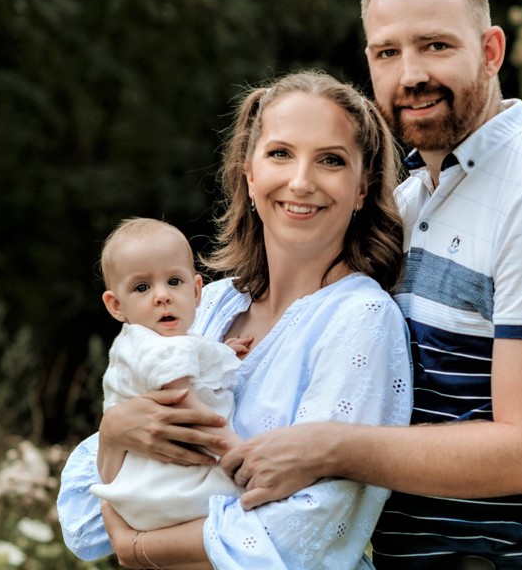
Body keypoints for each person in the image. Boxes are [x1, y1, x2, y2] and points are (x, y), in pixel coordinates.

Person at [219, 0, 522, 569]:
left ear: (491, 51)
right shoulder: (409, 201)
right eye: (388, 52)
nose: (410, 75)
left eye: (435, 45)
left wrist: (328, 449)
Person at [57, 69, 413, 569]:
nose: (300, 181)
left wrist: (140, 548)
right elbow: (86, 520)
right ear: (249, 174)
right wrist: (114, 431)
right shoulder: (208, 304)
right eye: (280, 154)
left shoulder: (361, 320)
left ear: (362, 188)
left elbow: (301, 533)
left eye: (331, 160)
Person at [88, 217, 250, 532]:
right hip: (171, 490)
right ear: (116, 305)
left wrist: (220, 353)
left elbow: (188, 358)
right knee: (258, 498)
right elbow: (185, 403)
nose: (162, 295)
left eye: (174, 282)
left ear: (196, 290)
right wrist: (237, 452)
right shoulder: (152, 346)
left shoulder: (151, 343)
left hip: (145, 492)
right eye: (142, 287)